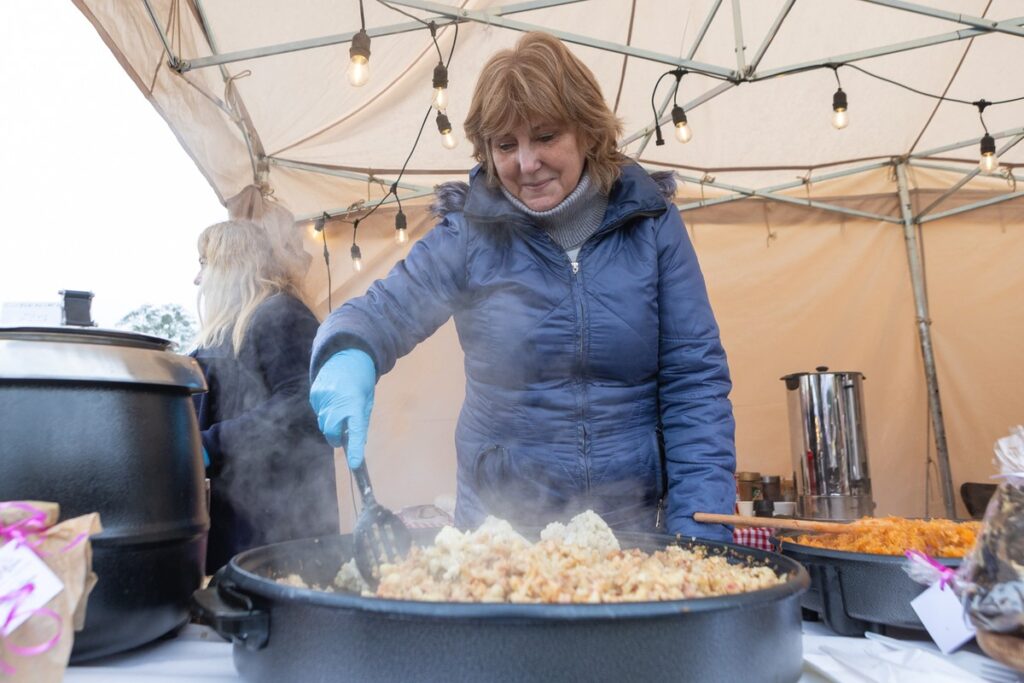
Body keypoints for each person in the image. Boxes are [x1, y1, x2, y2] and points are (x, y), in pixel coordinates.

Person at [309, 32, 735, 541]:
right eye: (506, 145)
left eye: (546, 136)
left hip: (625, 534)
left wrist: (699, 525)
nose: (526, 163)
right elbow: (385, 311)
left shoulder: (651, 224)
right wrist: (347, 350)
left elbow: (695, 381)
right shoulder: (470, 233)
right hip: (499, 535)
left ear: (587, 131)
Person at [192, 219, 339, 572]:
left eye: (203, 264)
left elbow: (303, 405)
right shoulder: (234, 327)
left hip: (284, 529)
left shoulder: (282, 314)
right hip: (243, 522)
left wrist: (212, 444)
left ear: (231, 264)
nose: (197, 280)